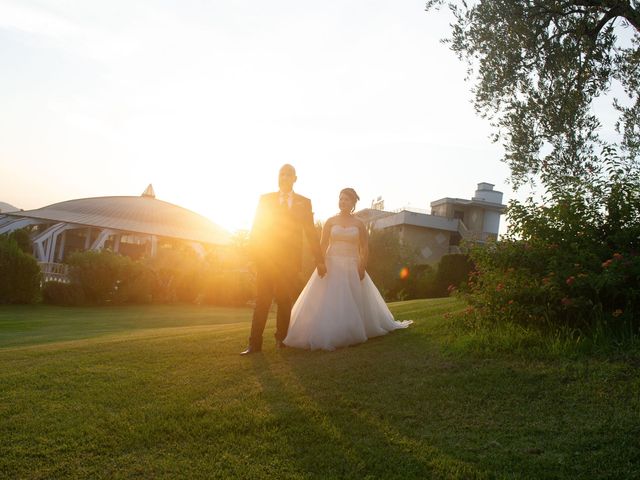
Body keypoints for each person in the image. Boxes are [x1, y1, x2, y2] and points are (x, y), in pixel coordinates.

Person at [284, 187, 412, 351]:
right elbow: (323, 245)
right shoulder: (330, 221)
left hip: (352, 264)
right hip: (331, 264)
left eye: (346, 199)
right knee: (327, 300)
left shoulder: (359, 223)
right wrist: (320, 263)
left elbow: (364, 247)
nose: (342, 202)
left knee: (352, 299)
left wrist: (362, 265)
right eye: (341, 199)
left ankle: (352, 330)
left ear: (353, 203)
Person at [241, 164, 326, 355]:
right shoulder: (266, 199)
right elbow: (256, 229)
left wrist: (319, 259)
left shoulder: (304, 202)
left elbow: (311, 233)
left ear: (295, 178)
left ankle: (282, 340)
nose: (284, 177)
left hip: (289, 262)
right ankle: (254, 345)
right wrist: (253, 257)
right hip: (266, 259)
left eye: (288, 174)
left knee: (284, 300)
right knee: (262, 301)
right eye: (281, 174)